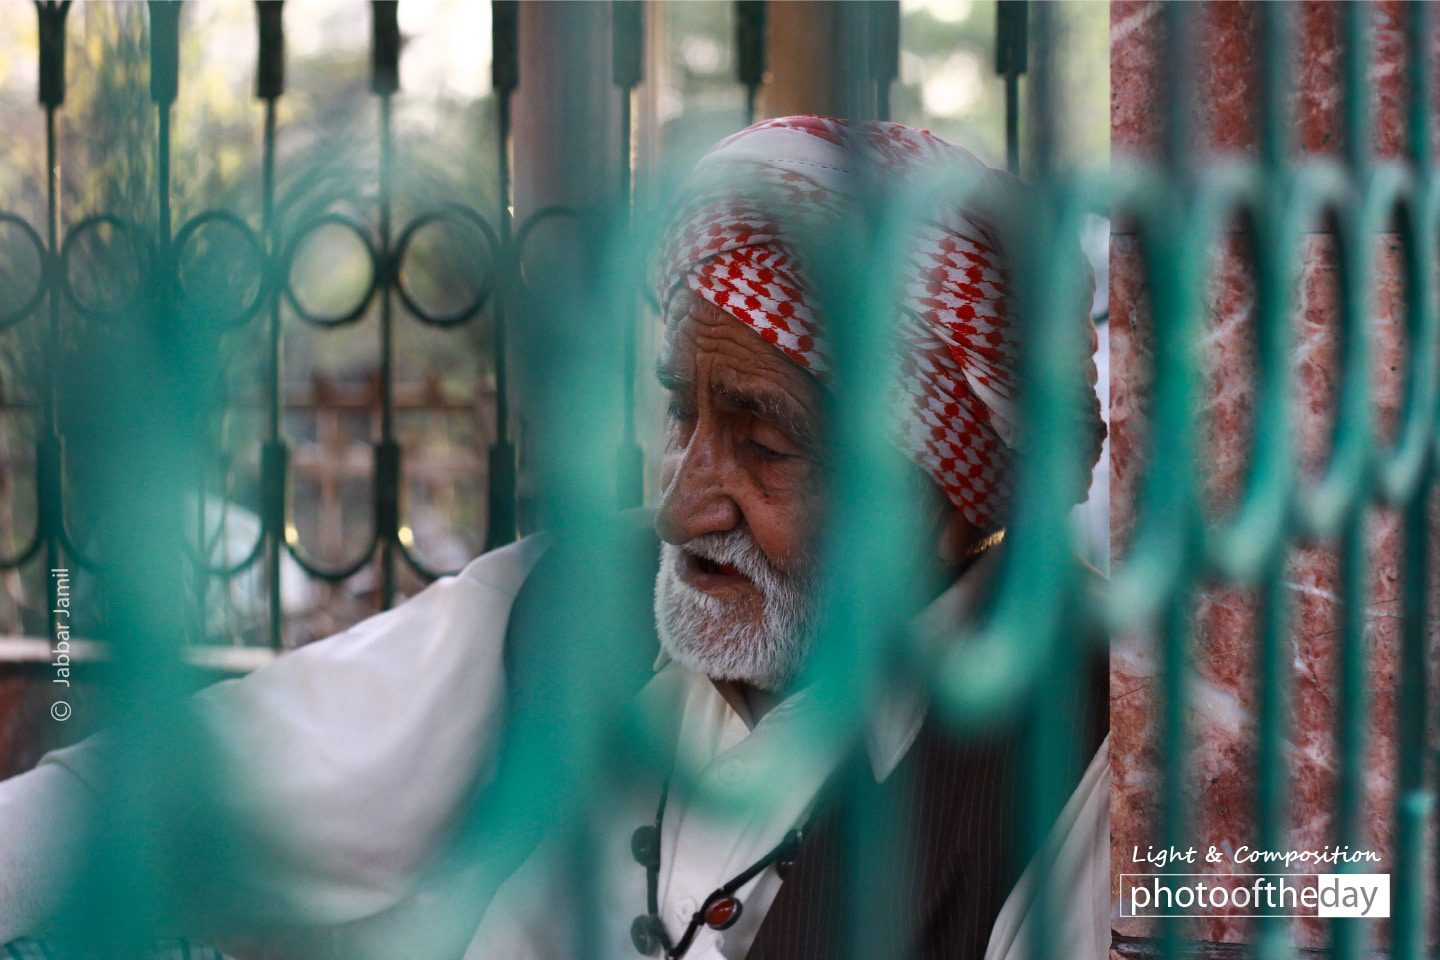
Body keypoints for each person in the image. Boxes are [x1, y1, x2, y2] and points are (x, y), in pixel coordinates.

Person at [0, 116, 1108, 960]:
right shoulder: (574, 601)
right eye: (684, 413)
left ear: (948, 488)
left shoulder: (1080, 750)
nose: (683, 503)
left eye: (766, 442)